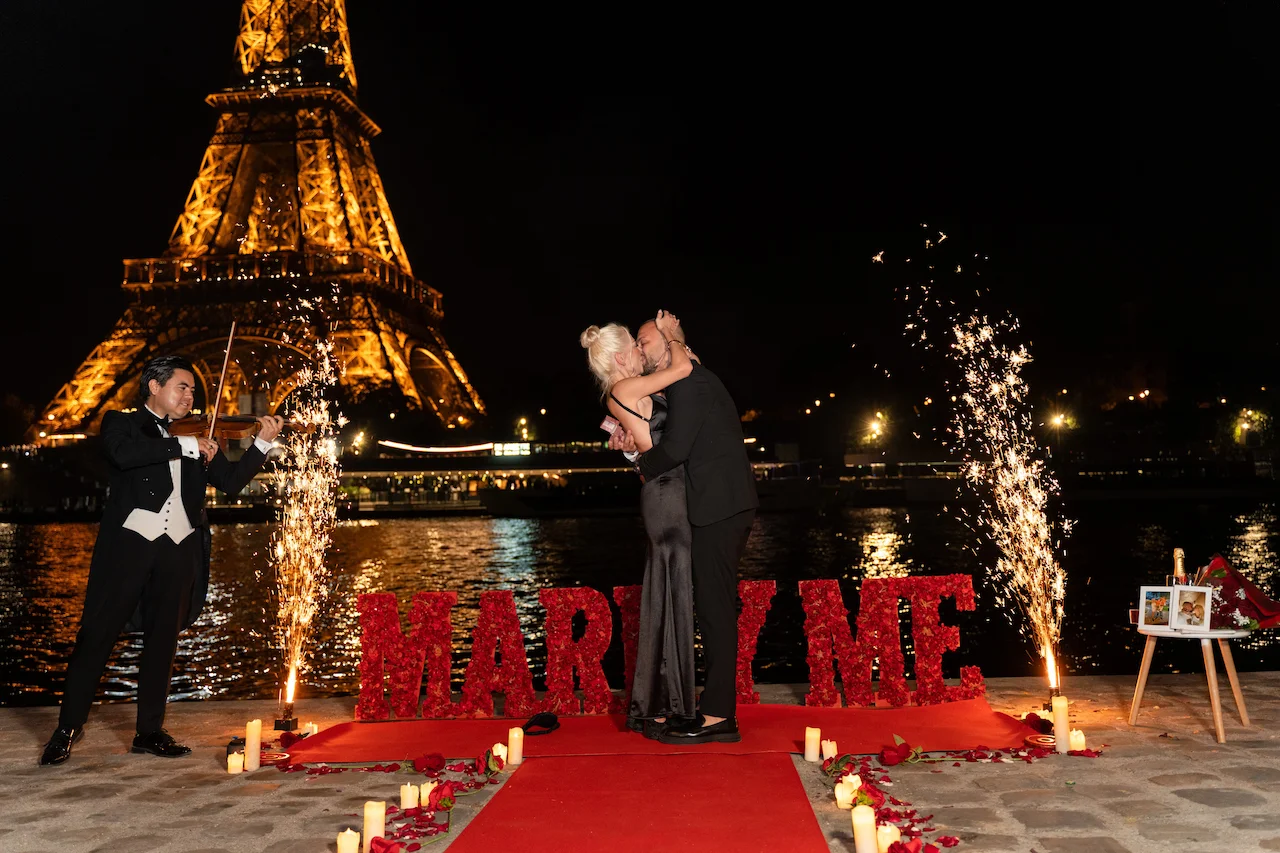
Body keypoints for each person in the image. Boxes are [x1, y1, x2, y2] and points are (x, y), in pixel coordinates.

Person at [39, 354, 283, 766]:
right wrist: (185, 445)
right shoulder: (122, 424)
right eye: (182, 387)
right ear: (154, 386)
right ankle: (67, 729)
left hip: (179, 548)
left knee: (162, 643)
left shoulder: (200, 434)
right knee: (97, 637)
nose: (190, 396)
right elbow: (124, 455)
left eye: (193, 390)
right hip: (130, 548)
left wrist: (261, 443)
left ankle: (149, 731)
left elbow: (230, 484)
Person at [613, 310, 758, 745]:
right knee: (714, 606)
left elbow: (675, 449)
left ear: (669, 340)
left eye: (645, 341)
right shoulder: (687, 381)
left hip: (719, 508)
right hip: (718, 506)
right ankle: (715, 709)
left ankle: (719, 716)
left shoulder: (690, 382)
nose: (640, 350)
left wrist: (641, 467)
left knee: (715, 608)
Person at [580, 311, 694, 739]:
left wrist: (632, 450)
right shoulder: (624, 389)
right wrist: (671, 335)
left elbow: (647, 443)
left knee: (666, 591)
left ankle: (661, 703)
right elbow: (682, 371)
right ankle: (669, 704)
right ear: (620, 356)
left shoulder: (628, 389)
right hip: (667, 496)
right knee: (670, 590)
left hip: (665, 492)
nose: (641, 350)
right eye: (636, 345)